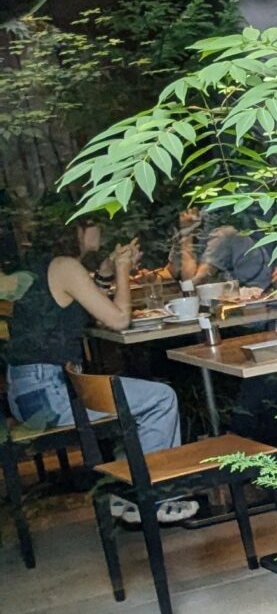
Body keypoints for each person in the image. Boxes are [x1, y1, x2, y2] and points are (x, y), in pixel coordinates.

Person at [5, 218, 193, 525]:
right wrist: (122, 270)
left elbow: (82, 305)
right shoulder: (66, 266)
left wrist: (105, 271)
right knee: (160, 398)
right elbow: (117, 320)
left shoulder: (50, 266)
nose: (100, 232)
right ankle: (153, 499)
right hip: (49, 395)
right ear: (75, 230)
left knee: (134, 402)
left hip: (29, 392)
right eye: (92, 224)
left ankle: (125, 492)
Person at [174, 207, 277, 296]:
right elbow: (175, 275)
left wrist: (186, 232)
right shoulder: (192, 238)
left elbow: (195, 282)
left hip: (259, 298)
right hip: (238, 300)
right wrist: (186, 233)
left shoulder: (224, 235)